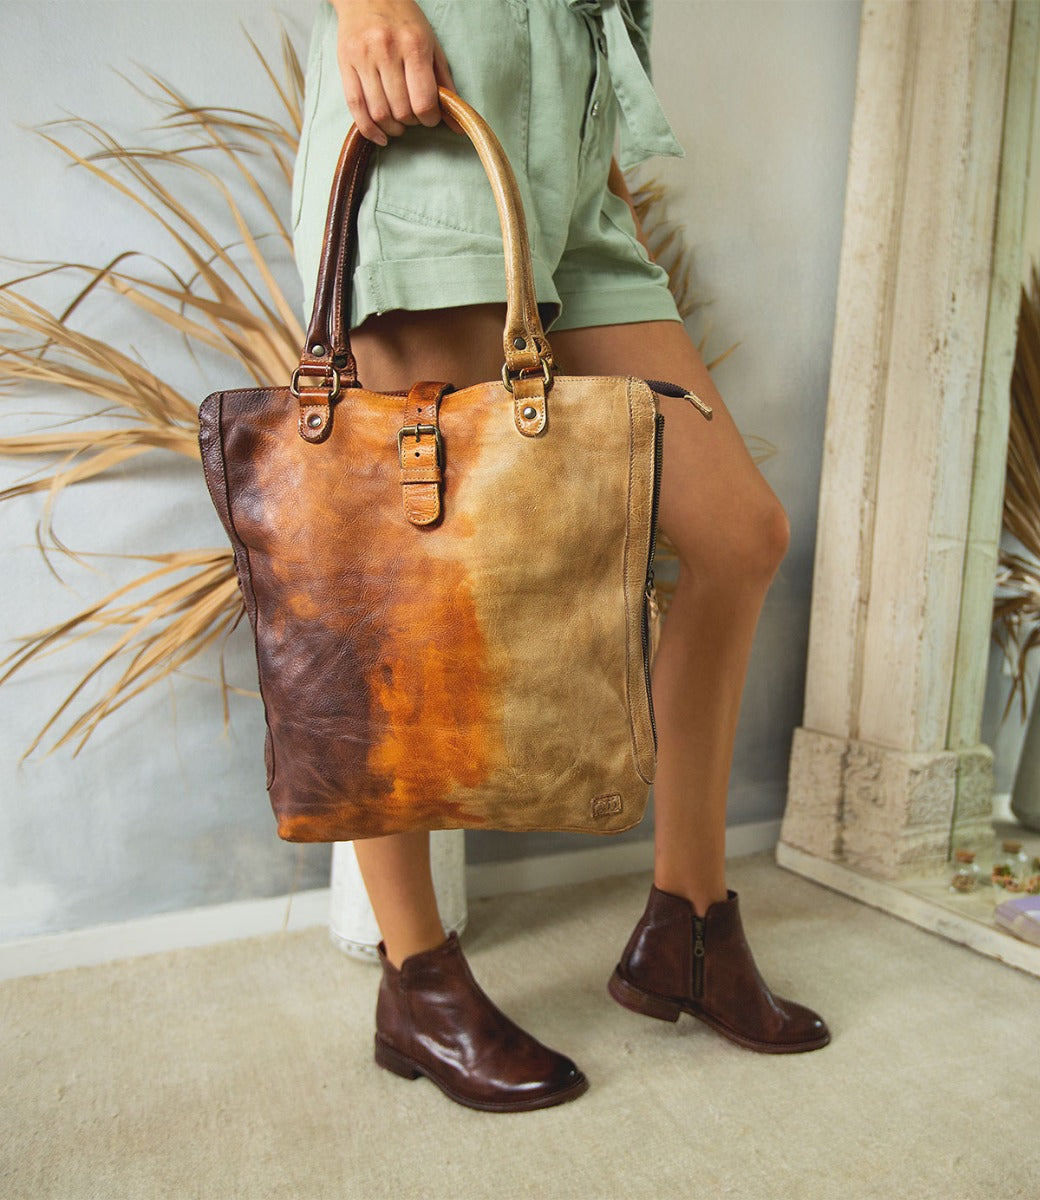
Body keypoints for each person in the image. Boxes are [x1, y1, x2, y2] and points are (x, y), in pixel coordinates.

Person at [291, 0, 829, 1113]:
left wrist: (594, 148)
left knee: (739, 532)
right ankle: (417, 981)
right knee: (403, 591)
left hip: (576, 169)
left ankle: (684, 925)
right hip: (429, 118)